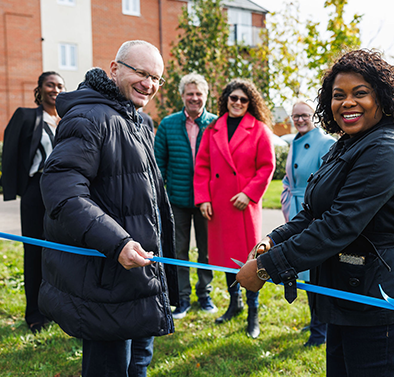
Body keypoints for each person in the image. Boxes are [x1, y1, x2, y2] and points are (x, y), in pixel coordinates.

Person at [237, 49, 394, 376]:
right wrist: (273, 238)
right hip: (349, 292)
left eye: (360, 93)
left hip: (381, 297)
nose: (347, 103)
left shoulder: (387, 147)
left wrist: (266, 268)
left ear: (382, 98)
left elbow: (339, 224)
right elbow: (314, 212)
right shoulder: (347, 143)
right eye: (338, 95)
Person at [38, 40, 179, 377]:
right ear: (114, 69)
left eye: (156, 78)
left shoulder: (138, 120)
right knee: (109, 368)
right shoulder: (90, 117)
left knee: (138, 365)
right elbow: (62, 191)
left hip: (138, 273)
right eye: (141, 73)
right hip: (107, 278)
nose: (149, 84)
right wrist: (116, 243)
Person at [193, 78, 275, 339]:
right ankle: (234, 303)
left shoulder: (259, 129)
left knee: (249, 259)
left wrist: (249, 194)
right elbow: (202, 166)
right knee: (226, 260)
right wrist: (203, 198)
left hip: (243, 206)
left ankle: (253, 312)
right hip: (219, 205)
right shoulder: (212, 129)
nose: (238, 103)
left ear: (250, 103)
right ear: (226, 99)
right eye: (233, 98)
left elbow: (266, 167)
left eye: (243, 99)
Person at [0, 71, 65, 334]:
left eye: (60, 85)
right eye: (50, 85)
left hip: (64, 191)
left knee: (61, 251)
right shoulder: (26, 116)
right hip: (35, 190)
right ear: (40, 89)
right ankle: (35, 314)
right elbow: (11, 150)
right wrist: (15, 189)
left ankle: (59, 309)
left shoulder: (69, 119)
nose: (55, 89)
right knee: (34, 251)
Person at [155, 73, 218, 319]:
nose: (194, 98)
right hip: (177, 201)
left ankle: (205, 295)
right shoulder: (168, 124)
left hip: (207, 202)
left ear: (206, 96)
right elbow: (158, 163)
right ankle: (181, 298)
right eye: (190, 94)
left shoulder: (216, 124)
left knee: (207, 250)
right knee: (178, 250)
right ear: (182, 96)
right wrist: (163, 194)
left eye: (198, 94)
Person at [281, 99, 335, 347]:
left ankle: (320, 330)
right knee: (306, 272)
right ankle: (315, 320)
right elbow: (288, 177)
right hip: (295, 209)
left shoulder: (326, 143)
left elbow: (329, 184)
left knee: (317, 272)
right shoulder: (294, 141)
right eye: (295, 116)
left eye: (304, 115)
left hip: (313, 213)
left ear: (314, 117)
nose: (299, 119)